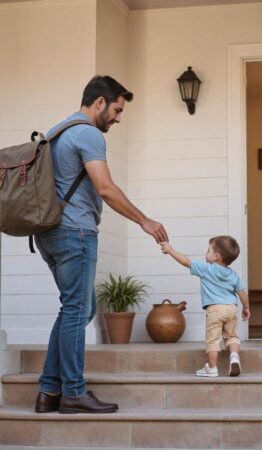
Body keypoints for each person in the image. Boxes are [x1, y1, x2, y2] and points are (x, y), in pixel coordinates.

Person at [34, 75, 168, 414]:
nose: (118, 118)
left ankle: (49, 391)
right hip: (74, 233)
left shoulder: (57, 131)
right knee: (77, 309)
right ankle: (74, 392)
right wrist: (145, 221)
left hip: (49, 234)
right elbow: (105, 188)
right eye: (117, 110)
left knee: (76, 309)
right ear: (99, 103)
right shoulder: (88, 133)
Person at [160, 236, 250, 377]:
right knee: (232, 336)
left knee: (213, 340)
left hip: (215, 309)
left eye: (208, 250)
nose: (205, 253)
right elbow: (242, 293)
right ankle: (234, 356)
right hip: (231, 308)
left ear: (216, 256)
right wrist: (246, 308)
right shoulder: (234, 275)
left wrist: (171, 250)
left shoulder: (207, 269)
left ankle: (212, 368)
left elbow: (187, 262)